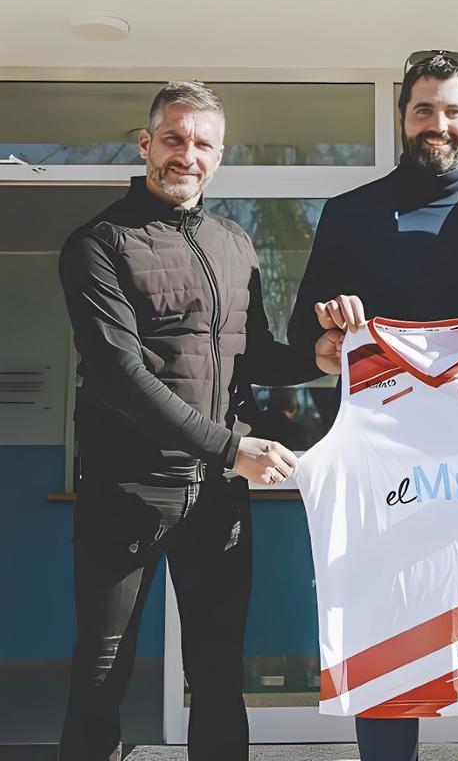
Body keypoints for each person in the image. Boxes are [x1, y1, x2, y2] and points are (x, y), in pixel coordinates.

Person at [288, 51, 458, 761]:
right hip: (390, 477)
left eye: (450, 110)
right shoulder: (350, 216)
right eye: (423, 110)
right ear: (402, 117)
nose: (436, 124)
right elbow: (303, 340)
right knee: (390, 652)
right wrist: (330, 335)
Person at [58, 81, 310, 761]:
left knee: (219, 674)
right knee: (101, 673)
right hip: (127, 492)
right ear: (146, 144)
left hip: (217, 498)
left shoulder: (235, 242)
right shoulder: (98, 244)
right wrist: (232, 448)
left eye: (202, 144)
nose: (186, 155)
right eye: (173, 138)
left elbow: (254, 354)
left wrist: (317, 358)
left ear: (219, 156)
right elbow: (120, 375)